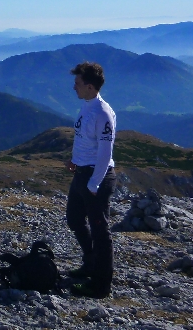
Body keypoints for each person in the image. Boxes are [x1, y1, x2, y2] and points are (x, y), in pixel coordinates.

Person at [65, 61, 116, 299]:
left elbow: (106, 152)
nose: (74, 87)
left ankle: (100, 285)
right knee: (74, 218)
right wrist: (75, 160)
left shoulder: (103, 113)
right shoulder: (86, 106)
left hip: (97, 176)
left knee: (100, 231)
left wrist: (95, 183)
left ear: (89, 86)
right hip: (82, 172)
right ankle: (90, 263)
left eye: (77, 83)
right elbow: (85, 140)